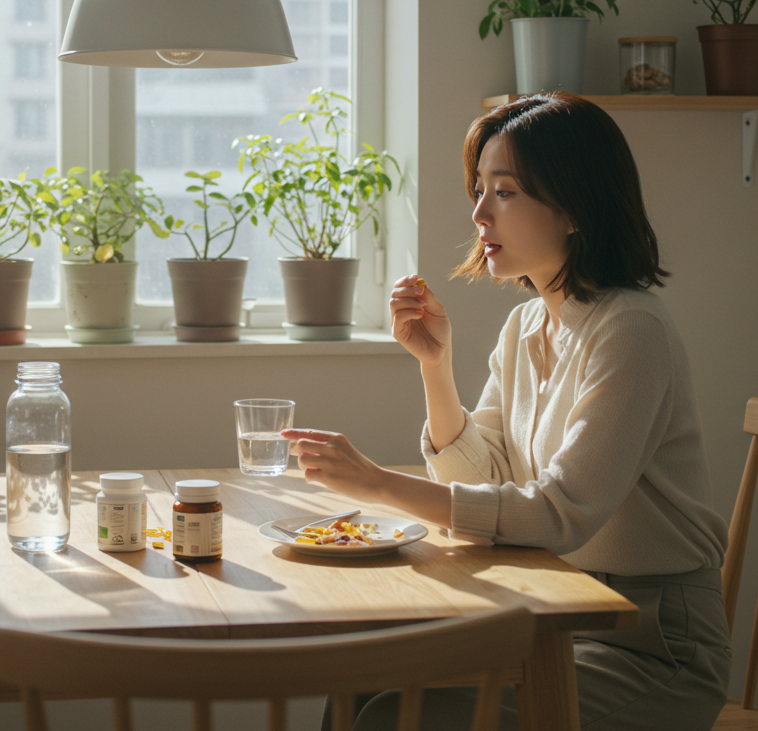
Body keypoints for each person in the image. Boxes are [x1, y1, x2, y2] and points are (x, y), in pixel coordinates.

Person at [286, 92, 731, 731]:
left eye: (505, 192)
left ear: (574, 207)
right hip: (552, 609)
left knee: (392, 718)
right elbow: (485, 479)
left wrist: (379, 483)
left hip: (651, 645)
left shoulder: (632, 328)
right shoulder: (526, 325)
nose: (479, 213)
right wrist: (435, 366)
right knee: (360, 682)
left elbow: (558, 514)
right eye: (479, 191)